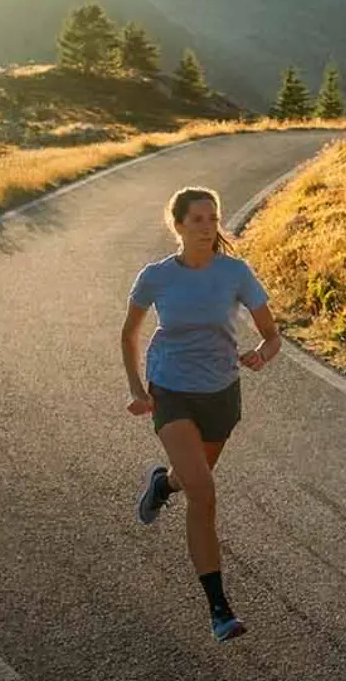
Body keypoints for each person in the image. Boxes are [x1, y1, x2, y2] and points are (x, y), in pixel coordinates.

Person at [123, 186, 281, 643]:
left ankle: (162, 483)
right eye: (197, 219)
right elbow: (129, 335)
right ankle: (218, 608)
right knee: (205, 493)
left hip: (220, 393)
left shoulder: (236, 273)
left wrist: (261, 355)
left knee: (190, 480)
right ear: (178, 225)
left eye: (213, 218)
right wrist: (138, 388)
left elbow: (272, 335)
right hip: (170, 389)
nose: (208, 226)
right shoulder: (156, 277)